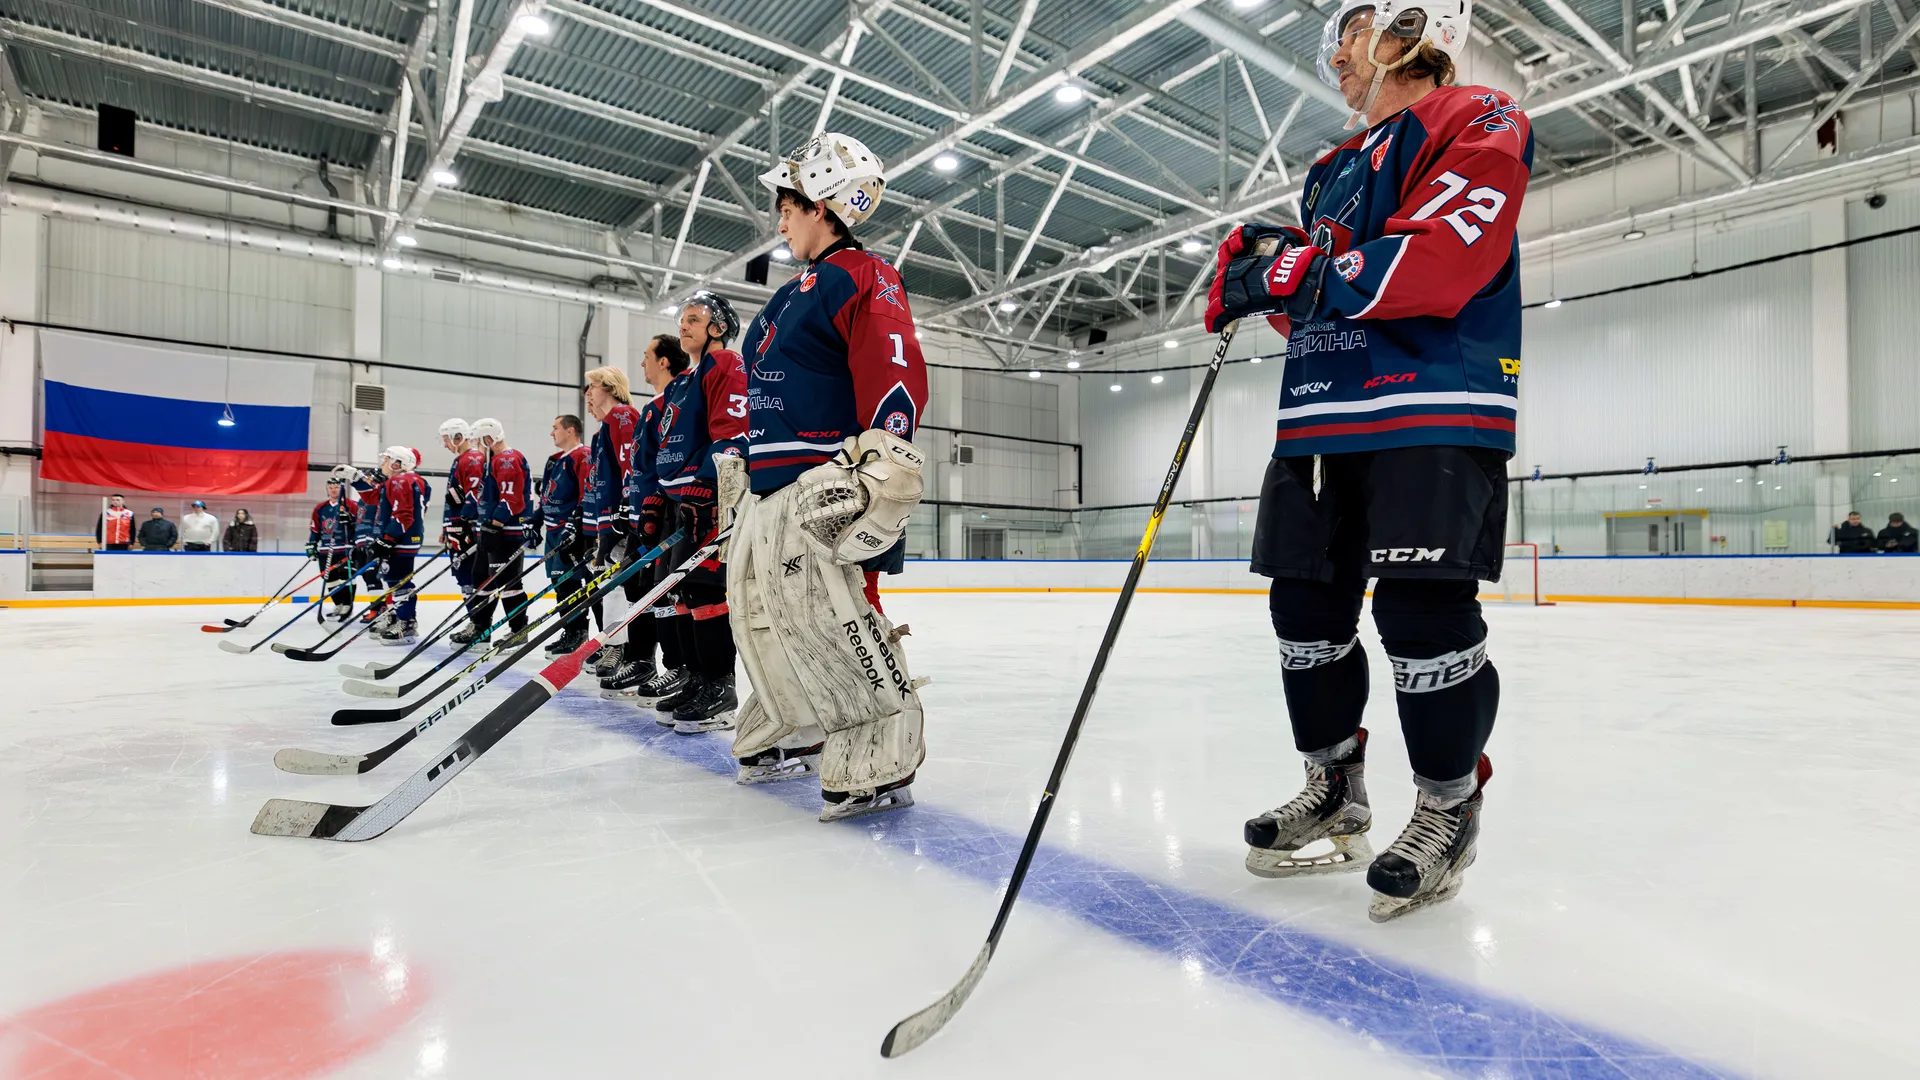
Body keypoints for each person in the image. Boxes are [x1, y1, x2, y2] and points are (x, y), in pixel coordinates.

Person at [1201, 0, 1530, 922]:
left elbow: (1437, 263)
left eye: (1348, 33)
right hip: (1318, 418)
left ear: (1409, 29)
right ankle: (1335, 786)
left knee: (1425, 618)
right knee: (1303, 611)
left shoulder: (1480, 120)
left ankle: (1446, 806)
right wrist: (1258, 277)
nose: (1334, 56)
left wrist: (1295, 274)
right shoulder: (1332, 167)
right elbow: (1322, 296)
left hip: (1432, 408)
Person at [723, 131, 931, 821]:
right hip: (769, 482)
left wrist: (886, 462)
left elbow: (894, 372)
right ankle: (800, 713)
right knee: (762, 612)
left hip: (824, 480)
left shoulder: (865, 276)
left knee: (832, 611)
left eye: (788, 203)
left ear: (824, 204)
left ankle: (880, 731)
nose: (779, 218)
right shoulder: (793, 291)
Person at [625, 299, 748, 734]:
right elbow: (661, 453)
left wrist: (708, 490)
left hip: (708, 501)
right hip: (681, 504)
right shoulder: (680, 384)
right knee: (684, 595)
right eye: (682, 321)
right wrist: (656, 502)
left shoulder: (728, 365)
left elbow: (731, 435)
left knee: (707, 591)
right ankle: (697, 677)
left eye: (694, 320)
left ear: (718, 327)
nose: (685, 328)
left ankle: (720, 687)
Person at [600, 335, 691, 696]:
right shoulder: (653, 407)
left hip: (666, 512)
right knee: (638, 588)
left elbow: (663, 464)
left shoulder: (675, 403)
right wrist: (628, 504)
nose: (642, 364)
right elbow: (638, 467)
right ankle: (641, 659)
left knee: (665, 592)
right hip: (642, 513)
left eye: (646, 356)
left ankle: (678, 666)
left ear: (665, 362)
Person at [581, 365, 644, 677]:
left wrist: (622, 510)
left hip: (620, 517)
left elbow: (630, 464)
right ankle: (613, 644)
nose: (588, 394)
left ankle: (619, 648)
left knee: (617, 585)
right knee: (609, 583)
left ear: (609, 386)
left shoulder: (622, 416)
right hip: (607, 519)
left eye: (592, 386)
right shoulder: (605, 426)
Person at [466, 418, 534, 646]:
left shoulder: (507, 459)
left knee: (508, 582)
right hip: (491, 528)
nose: (477, 447)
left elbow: (511, 497)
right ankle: (481, 629)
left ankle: (518, 630)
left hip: (506, 531)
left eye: (479, 441)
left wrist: (495, 524)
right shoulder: (495, 460)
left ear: (489, 438)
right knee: (480, 578)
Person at [540, 413, 594, 658]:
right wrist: (533, 520)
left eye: (555, 428)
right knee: (559, 585)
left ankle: (579, 633)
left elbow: (587, 493)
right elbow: (546, 496)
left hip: (567, 531)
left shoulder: (582, 456)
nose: (552, 433)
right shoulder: (554, 460)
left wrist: (575, 524)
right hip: (551, 531)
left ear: (571, 430)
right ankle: (569, 631)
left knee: (571, 583)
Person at [372, 446, 432, 644]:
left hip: (401, 539)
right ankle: (399, 619)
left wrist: (388, 538)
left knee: (400, 582)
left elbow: (403, 514)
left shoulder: (400, 480)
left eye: (387, 460)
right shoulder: (414, 480)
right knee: (396, 581)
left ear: (397, 463)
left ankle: (406, 623)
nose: (383, 464)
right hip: (407, 538)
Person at [440, 418, 491, 643]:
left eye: (446, 440)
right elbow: (455, 498)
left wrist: (464, 525)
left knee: (472, 578)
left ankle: (479, 627)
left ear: (457, 437)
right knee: (465, 579)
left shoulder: (472, 459)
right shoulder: (461, 459)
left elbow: (472, 497)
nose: (445, 445)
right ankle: (475, 623)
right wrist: (447, 526)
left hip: (467, 530)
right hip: (458, 528)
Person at [307, 476, 358, 619]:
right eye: (331, 487)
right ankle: (338, 604)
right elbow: (315, 529)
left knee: (346, 577)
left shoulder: (351, 505)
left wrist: (350, 520)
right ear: (327, 489)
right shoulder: (320, 508)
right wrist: (311, 545)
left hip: (346, 548)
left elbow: (359, 525)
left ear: (342, 489)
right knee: (330, 578)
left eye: (336, 487)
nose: (333, 490)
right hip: (326, 549)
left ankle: (347, 605)